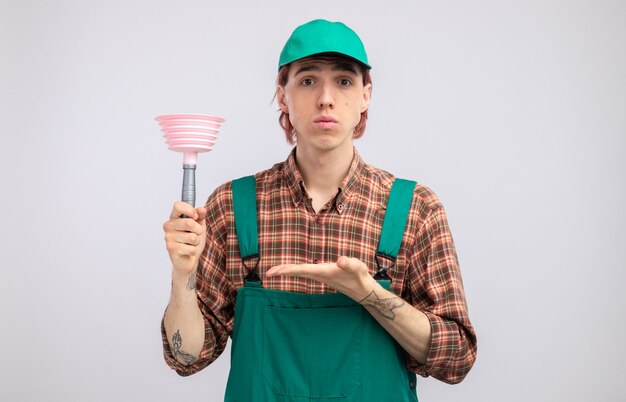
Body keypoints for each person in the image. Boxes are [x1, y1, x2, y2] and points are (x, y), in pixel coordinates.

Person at [162, 19, 477, 401]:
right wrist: (182, 276)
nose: (326, 98)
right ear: (283, 94)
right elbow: (186, 357)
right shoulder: (232, 206)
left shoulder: (415, 209)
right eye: (308, 80)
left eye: (344, 81)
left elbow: (456, 358)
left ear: (366, 96)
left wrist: (369, 294)